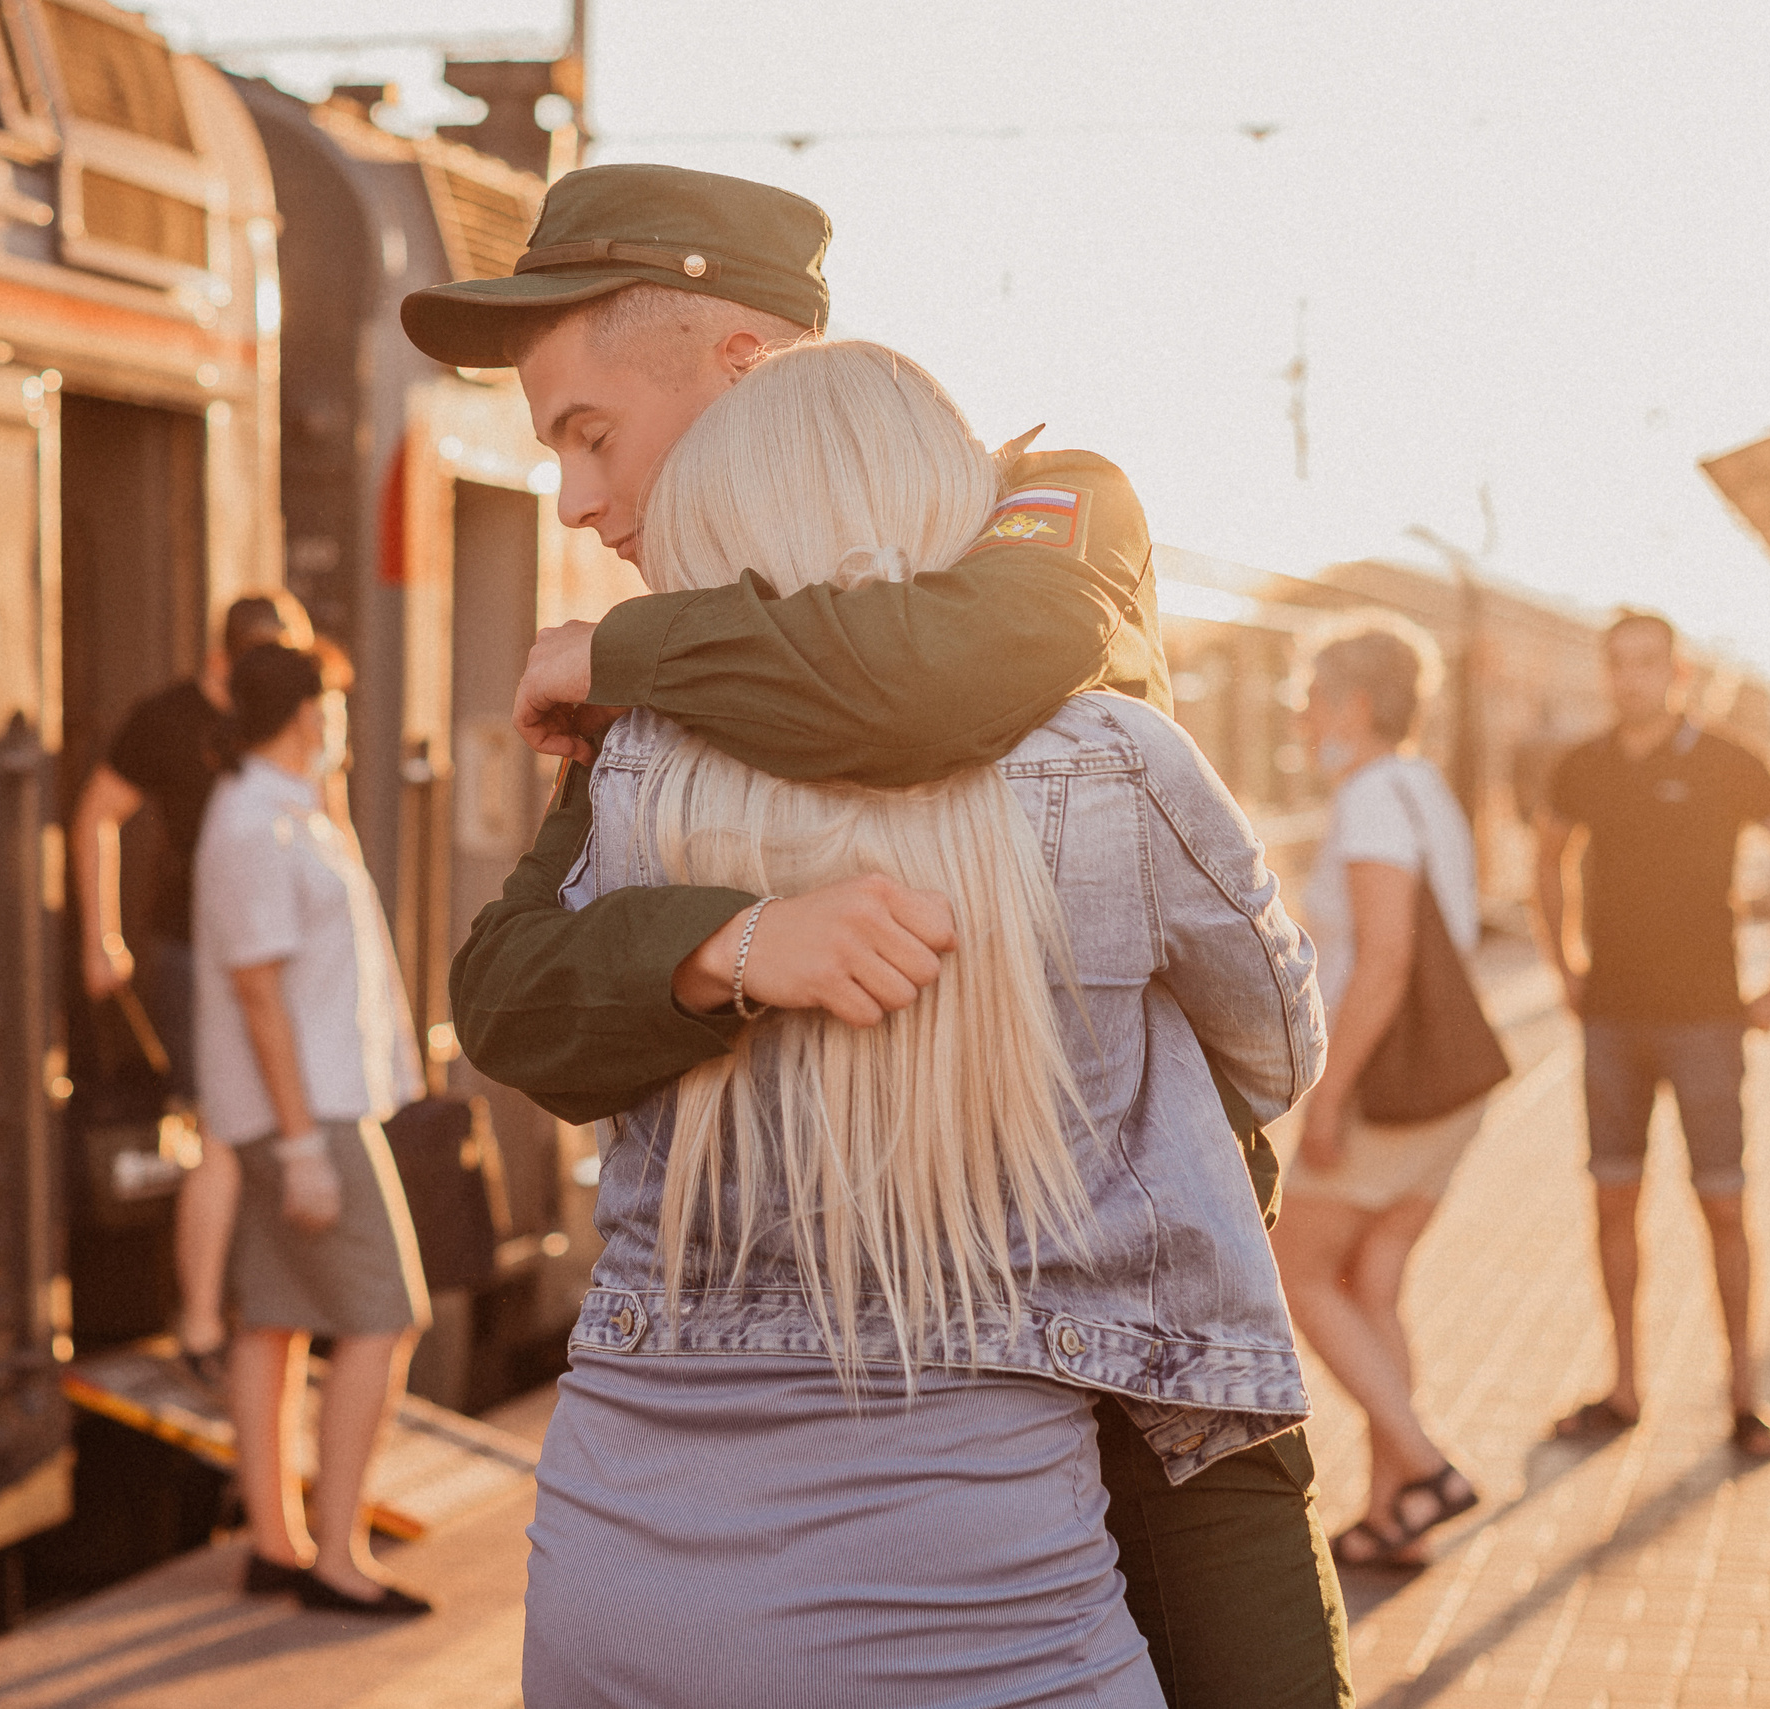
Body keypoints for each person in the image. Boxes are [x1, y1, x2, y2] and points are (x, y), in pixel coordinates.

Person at [403, 163, 1353, 1706]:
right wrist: (728, 942)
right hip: (907, 1415)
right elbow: (506, 993)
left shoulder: (1049, 507)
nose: (573, 499)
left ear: (746, 373)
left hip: (1144, 1376)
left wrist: (628, 649)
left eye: (591, 434)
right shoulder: (659, 739)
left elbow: (933, 683)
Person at [1535, 611, 1770, 1461]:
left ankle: (1746, 1398)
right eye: (1619, 664)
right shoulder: (1585, 766)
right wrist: (1565, 965)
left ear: (1678, 674)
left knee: (1722, 1204)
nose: (1632, 677)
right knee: (1613, 1201)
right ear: (1608, 674)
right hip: (1611, 1022)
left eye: (1648, 664)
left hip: (1709, 1022)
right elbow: (1548, 862)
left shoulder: (1731, 762)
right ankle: (1625, 1388)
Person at [190, 641, 432, 1612]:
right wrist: (298, 1148)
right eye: (331, 703)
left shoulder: (288, 811)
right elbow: (257, 996)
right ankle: (336, 1553)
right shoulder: (254, 823)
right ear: (303, 712)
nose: (340, 720)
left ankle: (275, 1543)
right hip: (307, 1114)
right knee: (385, 1315)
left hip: (308, 1104)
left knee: (278, 1319)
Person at [1271, 616, 1485, 1569]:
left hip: (1391, 1086)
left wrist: (1328, 1097)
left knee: (1297, 1267)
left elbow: (1387, 960)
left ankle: (1429, 1467)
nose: (1303, 716)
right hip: (1453, 1084)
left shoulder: (1368, 800)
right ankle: (1394, 1508)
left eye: (1311, 697)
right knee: (1375, 1277)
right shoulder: (1425, 788)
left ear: (1354, 707)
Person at [73, 594, 312, 1376]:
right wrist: (100, 937)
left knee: (261, 1127)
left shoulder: (276, 727)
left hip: (276, 950)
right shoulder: (169, 719)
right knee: (223, 1129)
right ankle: (207, 1323)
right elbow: (96, 814)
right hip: (194, 953)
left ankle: (249, 1313)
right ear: (222, 663)